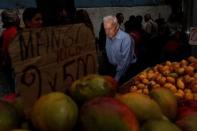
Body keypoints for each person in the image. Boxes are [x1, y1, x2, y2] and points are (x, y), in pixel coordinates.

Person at [103, 15, 136, 84]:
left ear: (116, 27)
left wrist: (116, 78)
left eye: (110, 29)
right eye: (105, 29)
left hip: (126, 69)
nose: (107, 32)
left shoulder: (126, 38)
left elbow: (125, 61)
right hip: (113, 68)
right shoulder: (109, 35)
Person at [0, 9, 20, 96]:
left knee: (9, 88)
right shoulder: (16, 32)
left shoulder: (4, 33)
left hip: (6, 64)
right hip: (13, 65)